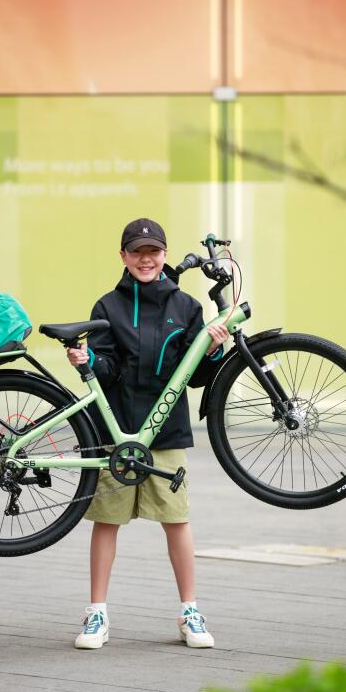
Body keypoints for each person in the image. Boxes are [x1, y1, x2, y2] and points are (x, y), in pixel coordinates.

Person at [66, 218, 229, 650]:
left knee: (177, 522)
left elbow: (197, 379)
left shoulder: (188, 307)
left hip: (166, 432)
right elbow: (107, 367)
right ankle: (95, 613)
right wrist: (87, 362)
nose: (145, 259)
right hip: (117, 433)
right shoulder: (106, 307)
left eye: (153, 251)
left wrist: (213, 348)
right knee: (106, 522)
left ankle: (190, 611)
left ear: (164, 255)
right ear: (123, 256)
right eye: (136, 251)